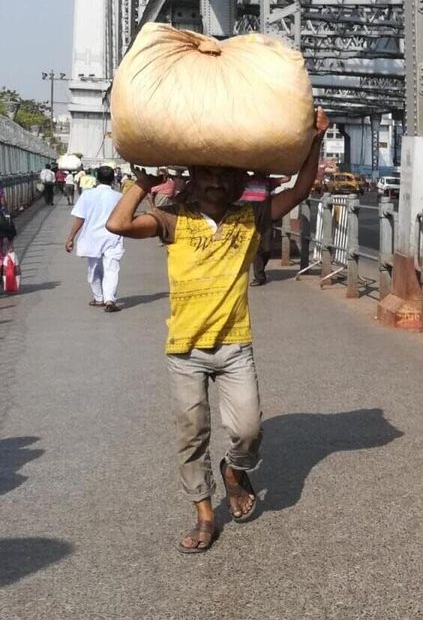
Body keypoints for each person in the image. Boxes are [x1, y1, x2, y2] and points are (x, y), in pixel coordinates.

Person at [106, 108, 328, 554]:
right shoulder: (172, 220)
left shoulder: (251, 218)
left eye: (223, 177)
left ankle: (234, 468)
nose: (214, 183)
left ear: (234, 184)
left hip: (233, 346)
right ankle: (205, 515)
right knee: (192, 436)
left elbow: (302, 188)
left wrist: (317, 138)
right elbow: (118, 225)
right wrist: (144, 185)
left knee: (248, 430)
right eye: (204, 175)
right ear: (190, 180)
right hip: (183, 349)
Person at [65, 166, 126, 311]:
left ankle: (99, 298)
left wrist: (70, 238)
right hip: (113, 237)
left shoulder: (87, 195)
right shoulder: (119, 197)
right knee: (112, 269)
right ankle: (110, 299)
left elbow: (80, 218)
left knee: (94, 269)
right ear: (113, 180)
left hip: (92, 238)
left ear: (97, 178)